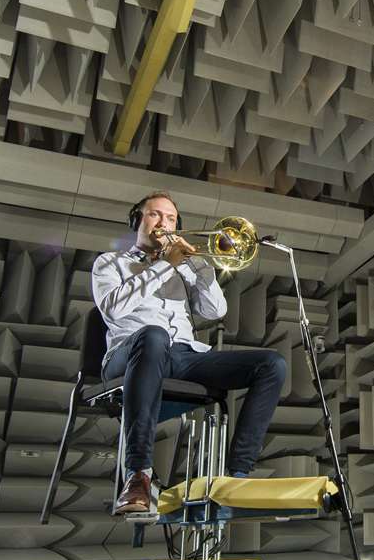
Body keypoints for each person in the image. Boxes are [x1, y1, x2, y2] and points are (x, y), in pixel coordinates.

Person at [91, 190, 288, 519]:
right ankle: (137, 474)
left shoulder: (185, 268)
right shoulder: (110, 263)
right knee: (153, 336)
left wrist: (198, 268)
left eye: (170, 218)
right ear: (137, 220)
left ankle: (236, 476)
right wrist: (164, 266)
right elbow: (113, 308)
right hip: (129, 355)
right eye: (155, 215)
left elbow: (216, 310)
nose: (163, 223)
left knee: (272, 364)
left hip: (182, 356)